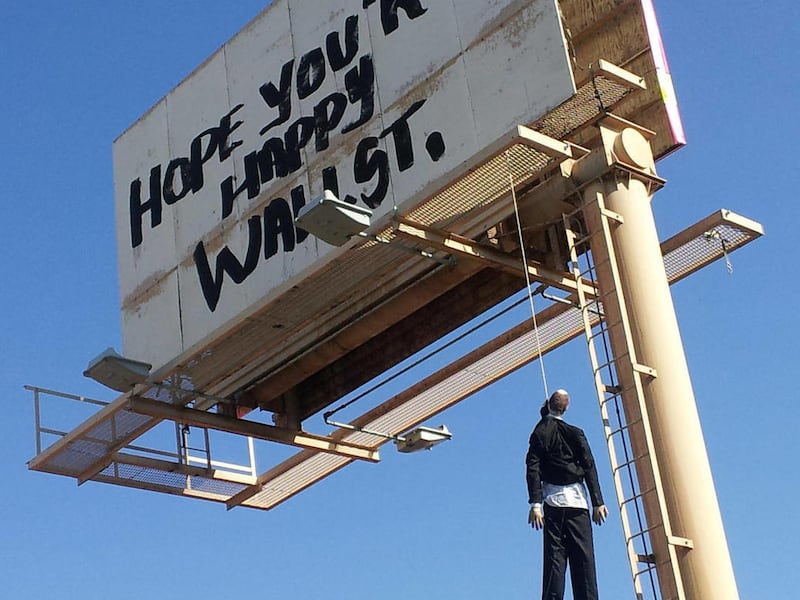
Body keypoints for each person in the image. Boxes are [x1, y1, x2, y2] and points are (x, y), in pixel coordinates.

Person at [526, 389, 609, 600]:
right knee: (584, 560)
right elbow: (589, 466)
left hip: (552, 504)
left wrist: (535, 503)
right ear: (567, 407)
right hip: (578, 503)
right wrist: (598, 502)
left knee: (555, 560)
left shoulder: (540, 432)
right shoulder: (576, 433)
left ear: (548, 405)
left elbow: (532, 467)